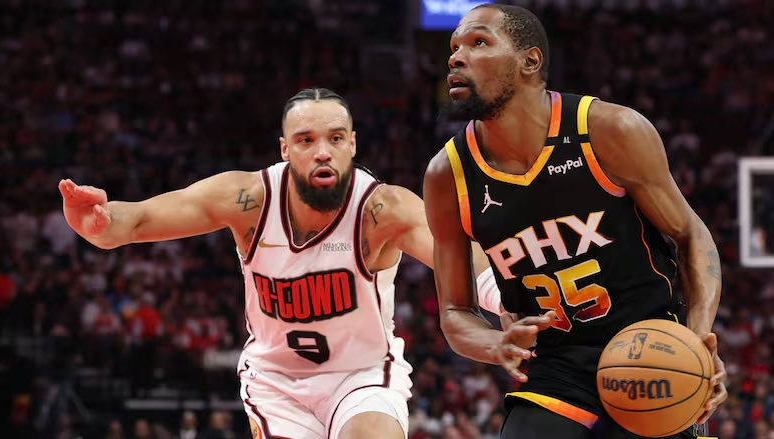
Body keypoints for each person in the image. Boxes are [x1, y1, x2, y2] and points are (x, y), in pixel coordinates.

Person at [58, 88, 535, 439]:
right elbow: (139, 220)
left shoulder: (381, 209)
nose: (322, 151)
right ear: (285, 149)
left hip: (362, 374)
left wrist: (507, 302)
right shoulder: (247, 199)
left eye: (335, 138)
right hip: (278, 381)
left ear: (352, 145)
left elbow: (462, 257)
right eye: (305, 140)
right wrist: (100, 223)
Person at [422, 4, 728, 439]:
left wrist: (696, 338)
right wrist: (495, 343)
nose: (456, 56)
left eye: (479, 42)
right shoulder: (446, 176)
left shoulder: (609, 130)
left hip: (650, 350)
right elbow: (455, 311)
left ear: (530, 61)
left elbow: (690, 233)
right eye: (454, 47)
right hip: (555, 369)